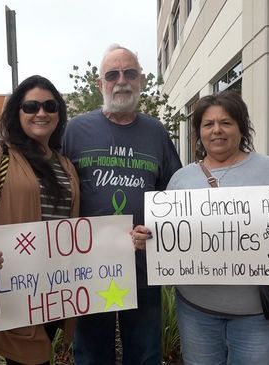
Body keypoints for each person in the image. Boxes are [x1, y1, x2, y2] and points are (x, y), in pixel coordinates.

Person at [151, 90, 269, 364]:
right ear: (198, 132)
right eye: (208, 124)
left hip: (259, 315)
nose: (217, 131)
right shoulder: (181, 179)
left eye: (226, 122)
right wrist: (149, 237)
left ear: (241, 127)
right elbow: (169, 233)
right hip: (196, 311)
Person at [62, 44, 182, 364]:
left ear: (141, 80)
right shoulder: (75, 130)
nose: (121, 81)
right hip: (90, 267)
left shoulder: (156, 132)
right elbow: (55, 189)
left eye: (130, 73)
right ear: (100, 84)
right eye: (112, 75)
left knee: (145, 354)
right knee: (90, 354)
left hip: (143, 266)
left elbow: (175, 193)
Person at [0, 75, 80, 365]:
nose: (41, 113)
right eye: (31, 106)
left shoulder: (64, 163)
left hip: (56, 286)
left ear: (59, 114)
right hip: (16, 285)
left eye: (50, 106)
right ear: (17, 112)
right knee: (30, 358)